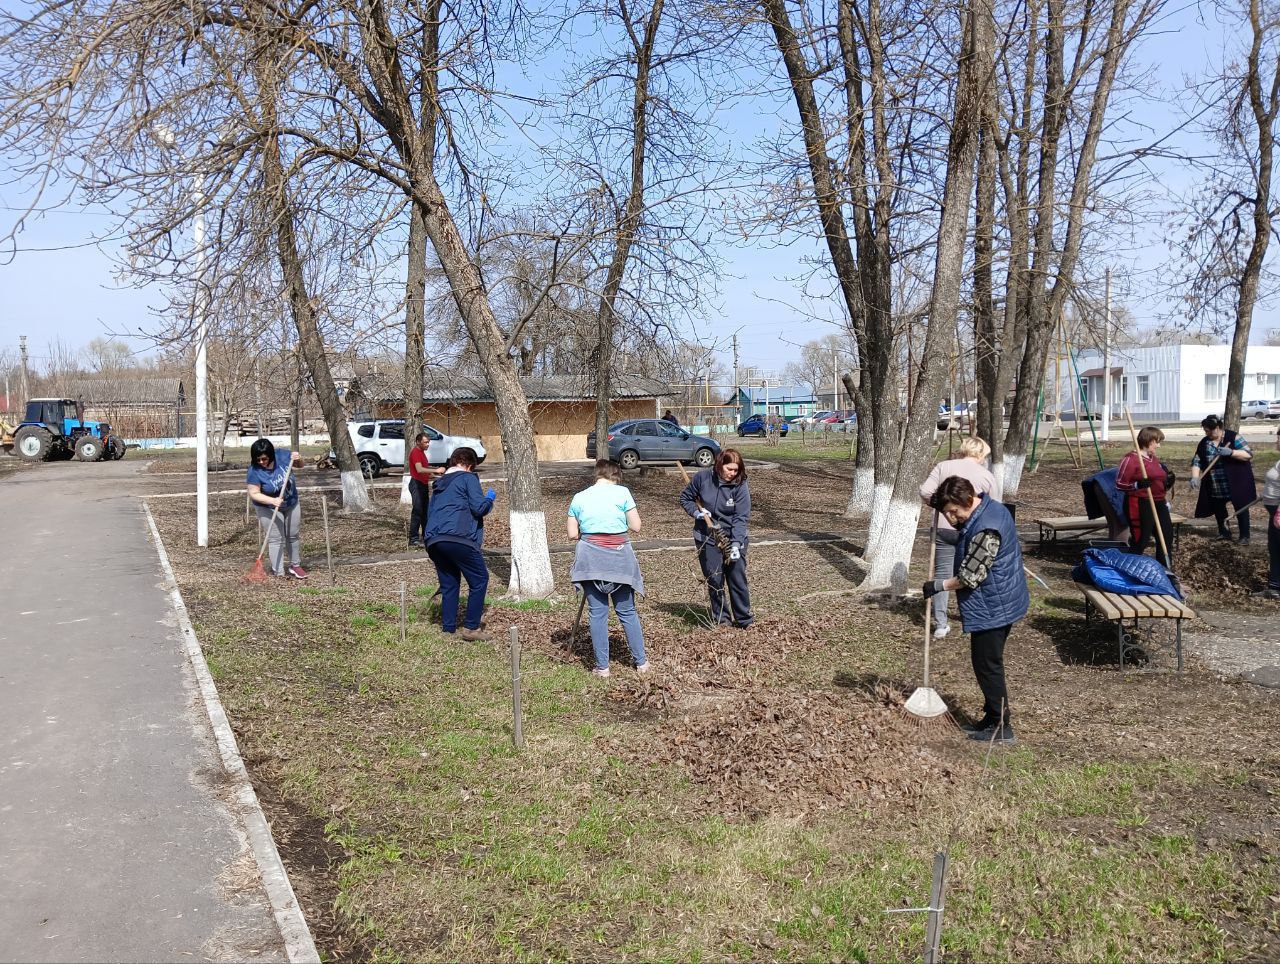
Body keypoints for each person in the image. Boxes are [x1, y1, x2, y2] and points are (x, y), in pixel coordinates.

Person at [921, 475, 1028, 745]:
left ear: (967, 500)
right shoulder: (990, 510)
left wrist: (938, 585)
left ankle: (1001, 726)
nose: (951, 517)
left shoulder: (986, 529)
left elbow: (971, 576)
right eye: (946, 513)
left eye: (953, 511)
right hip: (1001, 597)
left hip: (995, 604)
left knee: (988, 666)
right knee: (987, 664)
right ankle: (992, 717)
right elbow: (969, 543)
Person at [567, 459, 649, 677]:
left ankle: (602, 668)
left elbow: (572, 534)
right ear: (616, 475)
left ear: (597, 475)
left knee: (597, 614)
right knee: (627, 611)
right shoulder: (622, 493)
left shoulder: (579, 497)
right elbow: (636, 526)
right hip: (620, 559)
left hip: (590, 561)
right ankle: (642, 663)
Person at [918, 436, 996, 639]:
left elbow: (925, 491)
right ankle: (976, 616)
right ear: (981, 454)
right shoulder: (986, 475)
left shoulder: (943, 466)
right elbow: (994, 508)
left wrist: (942, 508)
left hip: (943, 530)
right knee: (974, 572)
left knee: (942, 575)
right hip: (972, 532)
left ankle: (941, 624)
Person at [424, 447, 495, 640]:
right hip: (458, 537)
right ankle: (471, 628)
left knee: (449, 583)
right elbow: (479, 508)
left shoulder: (439, 484)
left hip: (434, 540)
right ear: (470, 465)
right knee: (480, 579)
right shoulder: (468, 478)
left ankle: (448, 628)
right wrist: (489, 499)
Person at [679, 448, 753, 628]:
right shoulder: (703, 478)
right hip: (707, 537)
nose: (732, 473)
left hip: (732, 536)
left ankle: (744, 619)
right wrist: (696, 512)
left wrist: (736, 544)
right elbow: (686, 498)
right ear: (720, 465)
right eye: (729, 469)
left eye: (736, 470)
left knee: (737, 578)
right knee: (715, 578)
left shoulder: (740, 485)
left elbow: (741, 517)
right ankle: (722, 620)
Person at [246, 438, 308, 579]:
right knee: (276, 538)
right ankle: (278, 572)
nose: (261, 462)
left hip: (291, 502)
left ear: (271, 455)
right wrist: (272, 500)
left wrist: (298, 459)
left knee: (292, 535)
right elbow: (254, 493)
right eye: (258, 460)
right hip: (267, 507)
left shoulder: (282, 455)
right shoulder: (254, 471)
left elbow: (301, 465)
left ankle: (295, 566)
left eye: (264, 459)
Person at [1190, 414, 1256, 543]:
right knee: (1219, 509)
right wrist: (1195, 477)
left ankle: (1244, 536)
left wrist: (1231, 452)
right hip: (1216, 484)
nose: (1207, 433)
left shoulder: (1233, 437)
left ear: (1218, 428)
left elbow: (1248, 454)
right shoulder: (1205, 442)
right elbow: (1197, 461)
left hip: (1236, 482)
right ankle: (1224, 533)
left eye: (1209, 431)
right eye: (1205, 431)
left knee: (1241, 509)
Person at [1116, 426, 1175, 568]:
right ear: (1149, 441)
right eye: (1157, 442)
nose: (1159, 445)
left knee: (1166, 537)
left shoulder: (1152, 458)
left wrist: (1166, 483)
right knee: (1141, 539)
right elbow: (1119, 484)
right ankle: (1128, 569)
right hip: (1140, 503)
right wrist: (1137, 485)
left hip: (1159, 502)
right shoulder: (1131, 459)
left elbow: (1158, 479)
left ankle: (1164, 571)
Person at [1255, 425, 1280, 600]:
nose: (1277, 441)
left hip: (1279, 512)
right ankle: (1274, 586)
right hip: (1274, 511)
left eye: (1279, 438)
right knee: (1275, 548)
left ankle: (1275, 587)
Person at [407, 431, 435, 548]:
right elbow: (419, 469)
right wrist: (437, 470)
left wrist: (432, 473)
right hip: (416, 484)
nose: (427, 444)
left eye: (428, 442)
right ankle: (413, 539)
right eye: (425, 442)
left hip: (423, 484)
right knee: (417, 511)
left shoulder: (422, 453)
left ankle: (426, 536)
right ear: (418, 442)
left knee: (425, 512)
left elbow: (424, 467)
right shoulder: (415, 452)